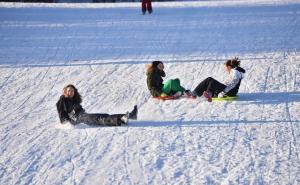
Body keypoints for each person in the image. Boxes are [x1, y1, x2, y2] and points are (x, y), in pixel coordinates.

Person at [56, 84, 137, 126]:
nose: (71, 92)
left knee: (102, 115)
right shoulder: (62, 101)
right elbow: (62, 115)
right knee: (99, 118)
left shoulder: (73, 100)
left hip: (82, 116)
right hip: (77, 120)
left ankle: (126, 117)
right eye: (69, 91)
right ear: (66, 92)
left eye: (72, 91)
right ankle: (121, 119)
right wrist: (68, 122)